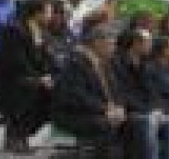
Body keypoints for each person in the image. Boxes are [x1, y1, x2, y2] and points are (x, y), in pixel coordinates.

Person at [51, 23, 126, 158]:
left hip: (100, 111)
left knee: (135, 123)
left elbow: (117, 90)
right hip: (73, 113)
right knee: (105, 125)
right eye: (111, 44)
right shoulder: (76, 62)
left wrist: (119, 108)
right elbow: (76, 96)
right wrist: (105, 110)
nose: (114, 48)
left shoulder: (106, 63)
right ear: (97, 42)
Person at [0, 0, 56, 153]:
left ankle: (20, 134)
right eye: (48, 12)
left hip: (27, 77)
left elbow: (47, 59)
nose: (51, 15)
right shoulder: (14, 30)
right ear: (37, 13)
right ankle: (16, 137)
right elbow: (15, 62)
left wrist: (50, 75)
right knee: (31, 89)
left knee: (55, 94)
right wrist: (39, 79)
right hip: (6, 79)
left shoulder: (41, 32)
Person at [113, 27, 169, 159]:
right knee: (150, 121)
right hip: (128, 111)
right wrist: (148, 110)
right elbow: (122, 93)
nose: (151, 46)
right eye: (148, 42)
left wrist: (156, 109)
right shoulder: (119, 63)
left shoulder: (145, 65)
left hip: (146, 110)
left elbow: (152, 92)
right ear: (136, 43)